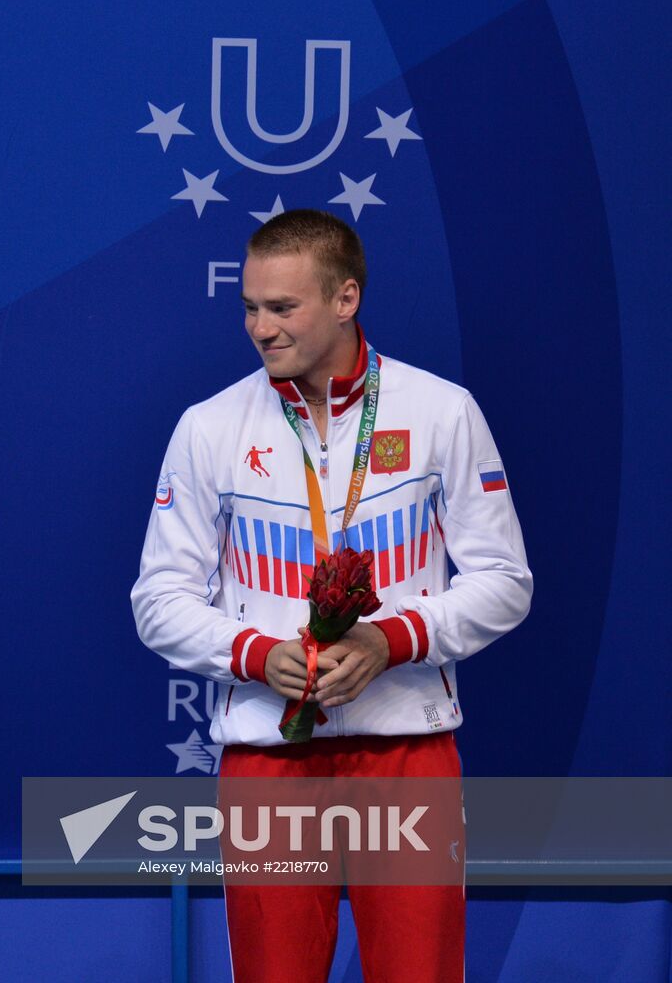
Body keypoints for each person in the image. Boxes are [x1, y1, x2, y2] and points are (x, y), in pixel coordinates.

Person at [131, 210, 531, 981]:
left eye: (283, 308)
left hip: (406, 750)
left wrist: (392, 640)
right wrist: (255, 654)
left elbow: (506, 583)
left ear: (346, 298)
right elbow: (159, 599)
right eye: (250, 307)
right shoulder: (209, 427)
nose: (260, 328)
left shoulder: (440, 412)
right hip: (269, 758)